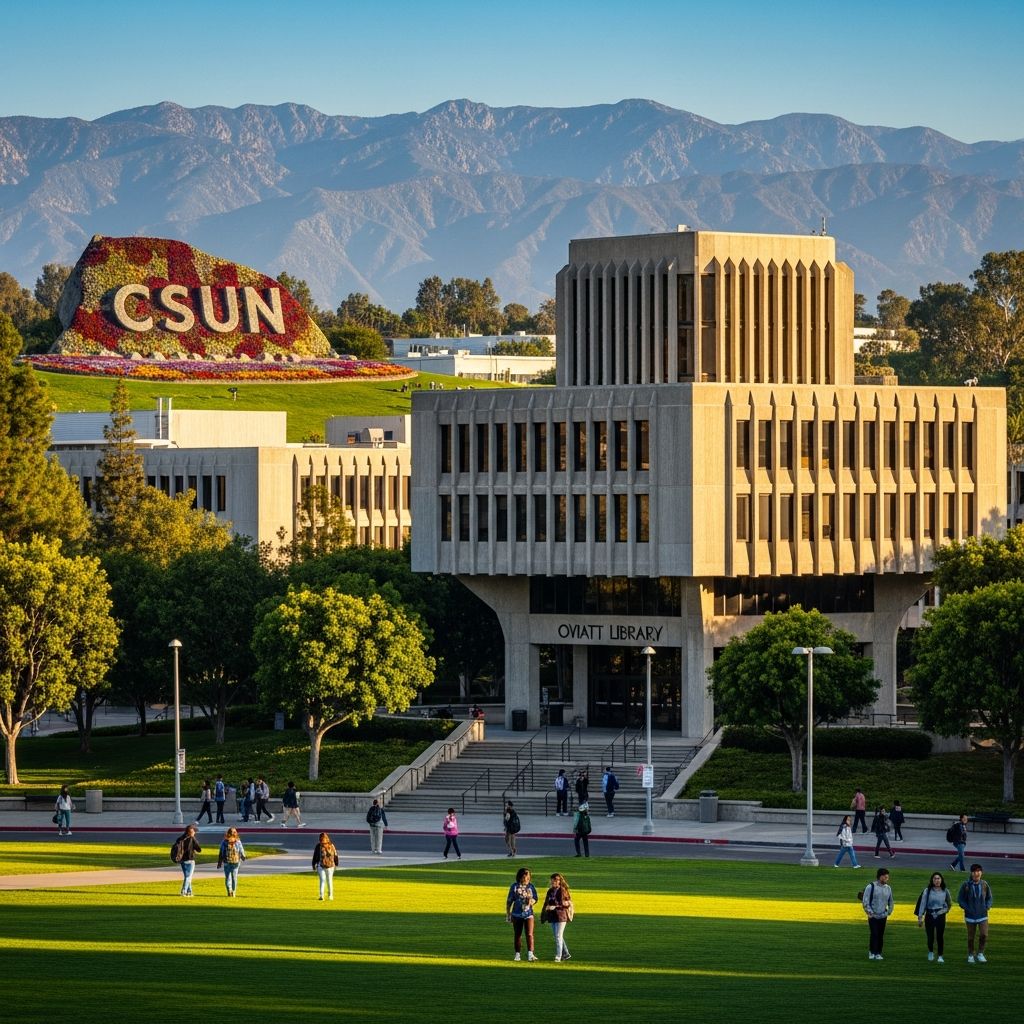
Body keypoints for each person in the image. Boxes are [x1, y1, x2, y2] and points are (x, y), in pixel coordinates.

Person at [957, 863, 993, 963]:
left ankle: (980, 953)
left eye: (978, 871)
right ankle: (970, 954)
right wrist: (967, 908)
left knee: (984, 934)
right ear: (971, 873)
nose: (976, 873)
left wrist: (987, 906)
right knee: (971, 937)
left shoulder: (984, 884)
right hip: (970, 916)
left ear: (981, 873)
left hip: (982, 915)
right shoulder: (966, 885)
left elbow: (989, 897)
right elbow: (960, 899)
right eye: (973, 871)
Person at [916, 871, 952, 962]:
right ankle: (931, 952)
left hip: (940, 916)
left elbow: (949, 903)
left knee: (940, 936)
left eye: (938, 878)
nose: (937, 880)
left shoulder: (945, 891)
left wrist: (944, 911)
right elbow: (923, 904)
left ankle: (940, 955)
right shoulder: (927, 891)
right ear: (932, 880)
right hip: (929, 915)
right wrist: (920, 917)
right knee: (930, 937)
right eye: (935, 879)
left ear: (941, 880)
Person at [505, 867, 539, 962]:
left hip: (528, 914)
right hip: (516, 914)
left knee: (530, 934)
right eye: (525, 877)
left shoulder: (531, 887)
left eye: (528, 877)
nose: (527, 879)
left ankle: (530, 954)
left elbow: (535, 898)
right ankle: (517, 955)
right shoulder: (514, 887)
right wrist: (508, 914)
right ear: (520, 877)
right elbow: (509, 901)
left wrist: (531, 901)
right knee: (518, 934)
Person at [861, 867, 894, 960]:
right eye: (885, 877)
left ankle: (878, 953)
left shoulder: (888, 888)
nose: (887, 879)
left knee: (880, 935)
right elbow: (865, 901)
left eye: (887, 877)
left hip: (883, 916)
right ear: (880, 877)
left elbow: (891, 901)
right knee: (874, 934)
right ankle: (872, 952)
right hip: (873, 916)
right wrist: (870, 912)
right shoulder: (871, 886)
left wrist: (889, 911)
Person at [543, 872, 574, 962]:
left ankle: (558, 956)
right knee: (558, 936)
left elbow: (567, 904)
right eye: (552, 880)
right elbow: (546, 902)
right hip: (553, 916)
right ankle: (566, 954)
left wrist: (555, 907)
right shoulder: (550, 891)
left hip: (561, 915)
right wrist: (545, 911)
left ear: (559, 881)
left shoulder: (562, 890)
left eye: (556, 880)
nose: (553, 882)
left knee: (558, 936)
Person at [216, 826, 247, 897]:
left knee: (228, 878)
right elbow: (241, 850)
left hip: (227, 862)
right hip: (236, 862)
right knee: (234, 878)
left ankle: (229, 891)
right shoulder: (238, 841)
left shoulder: (224, 842)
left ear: (228, 833)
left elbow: (221, 852)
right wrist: (243, 857)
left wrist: (219, 862)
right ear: (235, 833)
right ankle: (233, 892)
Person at [175, 823, 201, 897]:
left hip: (182, 860)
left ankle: (189, 891)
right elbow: (199, 849)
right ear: (191, 832)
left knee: (187, 876)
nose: (195, 833)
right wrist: (193, 838)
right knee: (188, 877)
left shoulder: (180, 839)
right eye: (194, 831)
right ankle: (184, 891)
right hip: (190, 860)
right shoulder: (192, 839)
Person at [312, 832, 338, 901]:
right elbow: (335, 855)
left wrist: (313, 864)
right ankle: (330, 896)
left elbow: (315, 856)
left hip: (321, 865)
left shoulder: (318, 846)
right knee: (329, 881)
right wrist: (336, 864)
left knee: (322, 880)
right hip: (331, 866)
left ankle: (321, 896)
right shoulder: (331, 845)